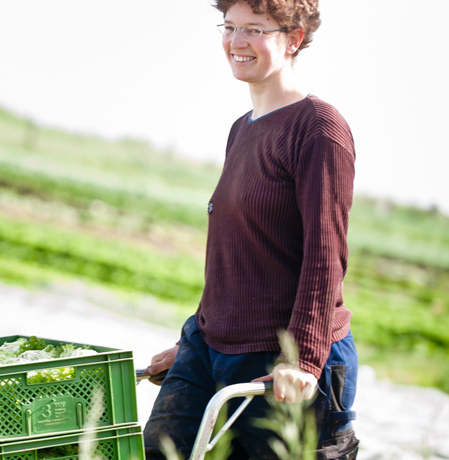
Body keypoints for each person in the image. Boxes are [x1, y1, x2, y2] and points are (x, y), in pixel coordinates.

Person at [142, 1, 359, 459]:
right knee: (158, 452)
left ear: (293, 38)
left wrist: (300, 359)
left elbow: (325, 256)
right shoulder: (242, 128)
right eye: (230, 26)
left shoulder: (318, 129)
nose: (237, 42)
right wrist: (188, 344)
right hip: (211, 343)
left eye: (255, 30)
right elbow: (237, 251)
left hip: (280, 359)